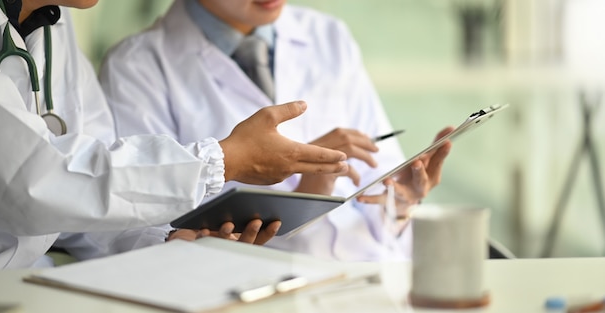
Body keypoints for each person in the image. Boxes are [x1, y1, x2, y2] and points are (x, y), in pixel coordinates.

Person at [0, 0, 350, 269]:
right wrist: (225, 159)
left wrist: (165, 240)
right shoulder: (136, 61)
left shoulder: (54, 25)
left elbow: (87, 195)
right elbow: (33, 183)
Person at [99, 0, 452, 261]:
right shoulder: (135, 68)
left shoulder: (329, 36)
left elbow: (378, 185)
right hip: (246, 287)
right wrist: (310, 188)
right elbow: (141, 229)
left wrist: (401, 198)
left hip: (374, 274)